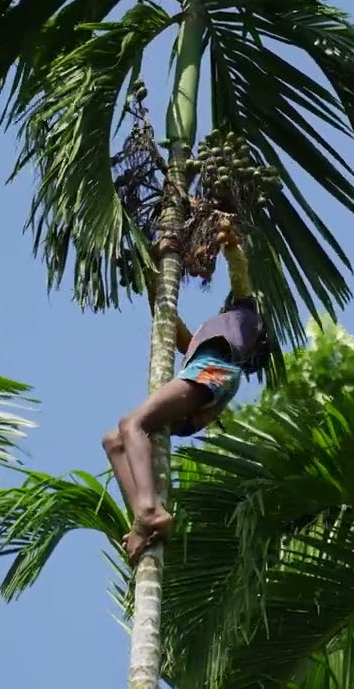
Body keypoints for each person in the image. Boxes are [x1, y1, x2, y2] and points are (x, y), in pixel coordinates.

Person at [102, 233, 266, 563]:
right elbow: (169, 322)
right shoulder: (202, 339)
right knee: (114, 439)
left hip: (213, 372)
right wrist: (154, 277)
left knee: (132, 423)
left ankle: (148, 509)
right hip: (206, 386)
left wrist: (229, 241)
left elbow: (239, 272)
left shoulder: (245, 310)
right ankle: (144, 517)